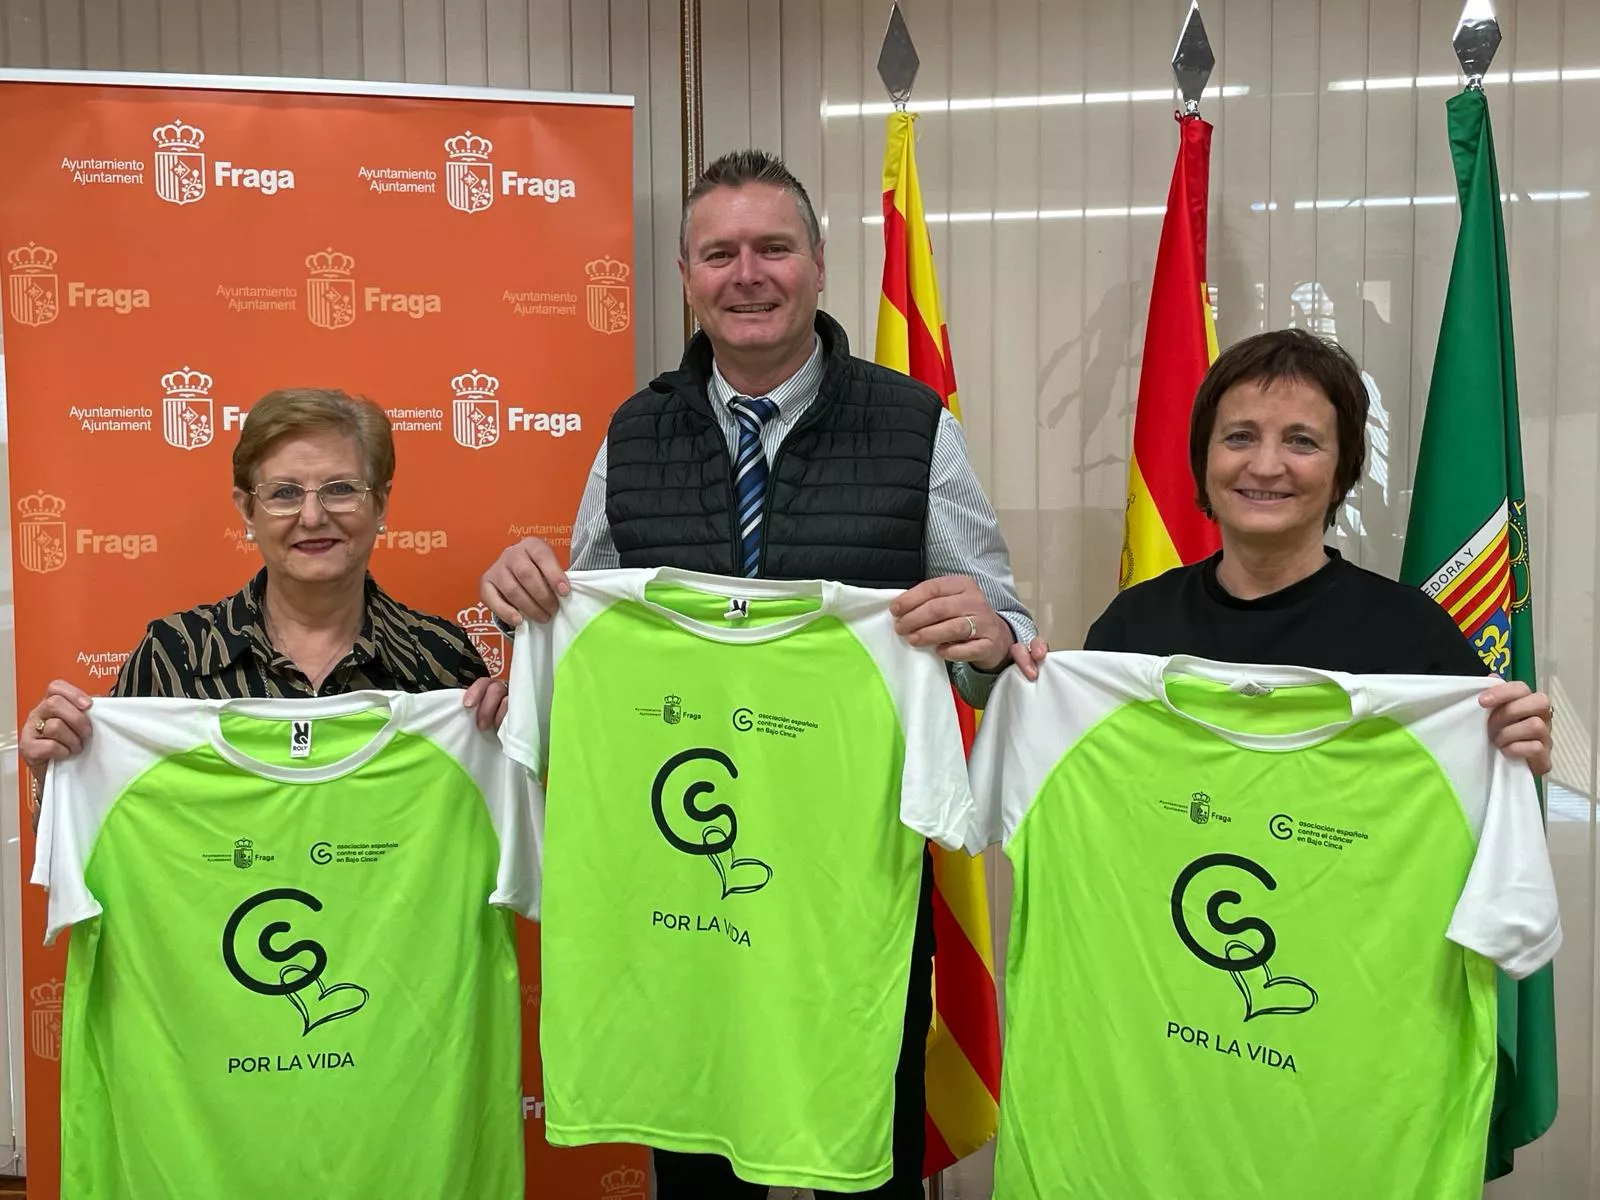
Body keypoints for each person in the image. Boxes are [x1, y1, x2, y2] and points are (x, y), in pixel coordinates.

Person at [480, 149, 1046, 1199]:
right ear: (688, 277)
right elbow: (584, 625)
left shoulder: (913, 425)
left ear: (819, 265)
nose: (748, 274)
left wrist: (987, 629)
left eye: (772, 248)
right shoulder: (634, 433)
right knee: (695, 1148)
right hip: (679, 872)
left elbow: (1002, 634)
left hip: (850, 873)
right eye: (720, 253)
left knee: (862, 1139)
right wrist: (526, 611)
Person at [1085, 327, 1552, 773]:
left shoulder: (1412, 634)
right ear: (1204, 459)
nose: (1266, 466)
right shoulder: (1133, 625)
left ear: (1341, 474)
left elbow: (1467, 791)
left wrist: (1508, 741)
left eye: (1301, 441)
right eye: (1239, 436)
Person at [20, 388, 509, 807]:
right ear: (248, 511)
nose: (313, 516)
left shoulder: (444, 663)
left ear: (379, 503)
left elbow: (485, 837)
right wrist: (53, 773)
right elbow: (102, 841)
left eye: (340, 489)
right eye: (284, 493)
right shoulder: (174, 654)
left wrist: (508, 743)